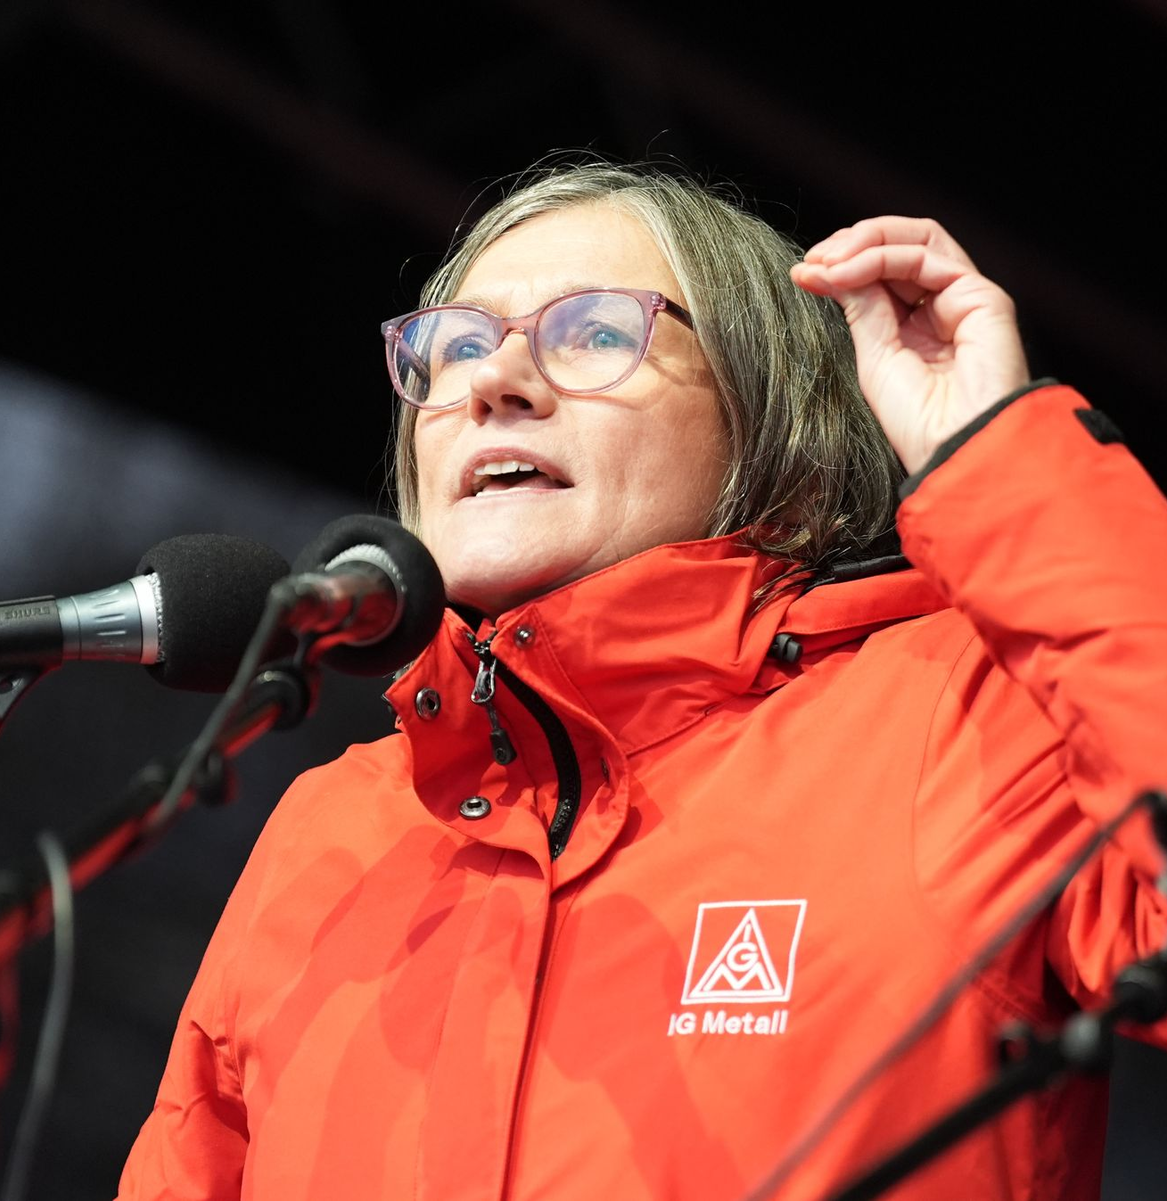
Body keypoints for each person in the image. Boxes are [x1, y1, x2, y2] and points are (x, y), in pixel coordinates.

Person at [116, 162, 1167, 1201]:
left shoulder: (963, 716)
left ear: (772, 424)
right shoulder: (330, 831)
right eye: (457, 346)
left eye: (595, 333)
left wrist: (1002, 458)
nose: (492, 382)